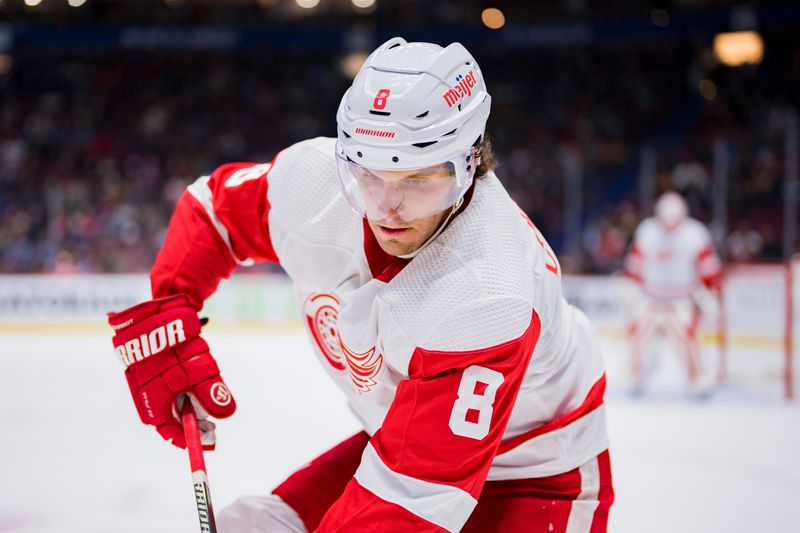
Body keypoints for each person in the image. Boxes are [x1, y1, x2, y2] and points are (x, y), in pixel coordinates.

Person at [108, 37, 613, 532]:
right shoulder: (313, 182)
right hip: (402, 441)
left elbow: (408, 502)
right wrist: (170, 309)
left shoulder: (487, 291)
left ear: (470, 163)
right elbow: (214, 212)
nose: (387, 207)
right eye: (369, 176)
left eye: (417, 180)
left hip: (538, 474)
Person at [623, 191, 722, 396]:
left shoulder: (696, 234)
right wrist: (631, 291)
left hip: (682, 298)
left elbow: (709, 269)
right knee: (639, 339)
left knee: (687, 341)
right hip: (651, 297)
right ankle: (636, 378)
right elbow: (634, 266)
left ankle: (698, 381)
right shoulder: (647, 231)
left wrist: (710, 296)